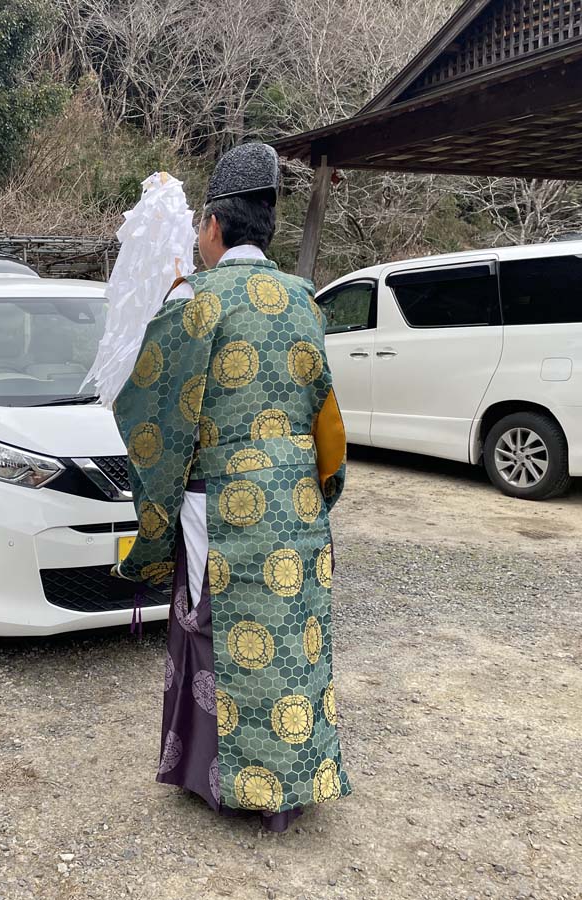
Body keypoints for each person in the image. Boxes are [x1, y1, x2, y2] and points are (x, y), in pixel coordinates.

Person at [112, 143, 350, 832]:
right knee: (293, 636)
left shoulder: (196, 300)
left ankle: (222, 783)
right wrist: (319, 492)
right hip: (296, 502)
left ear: (214, 226)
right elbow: (326, 416)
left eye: (199, 230)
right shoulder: (305, 301)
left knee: (216, 631)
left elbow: (149, 406)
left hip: (216, 499)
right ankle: (297, 785)